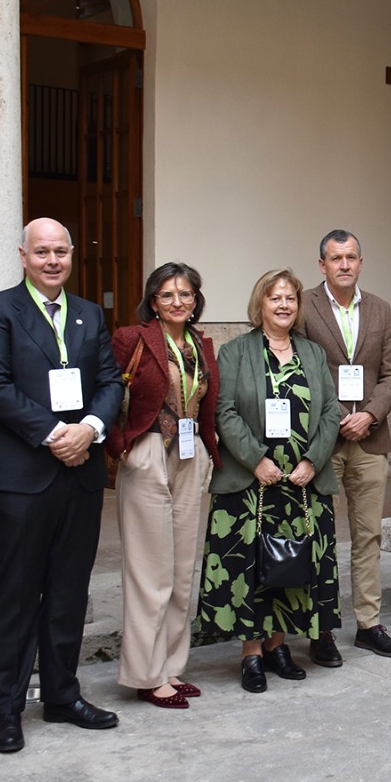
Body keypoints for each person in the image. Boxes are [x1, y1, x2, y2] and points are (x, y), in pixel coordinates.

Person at [0, 218, 124, 754]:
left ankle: (61, 695)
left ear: (72, 254)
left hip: (80, 474)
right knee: (16, 594)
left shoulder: (89, 313)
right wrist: (56, 433)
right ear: (23, 256)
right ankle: (7, 708)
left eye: (61, 251)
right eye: (42, 252)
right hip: (20, 478)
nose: (52, 261)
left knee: (68, 591)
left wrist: (91, 428)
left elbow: (110, 381)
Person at [200, 269, 341, 693]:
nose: (283, 305)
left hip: (300, 485)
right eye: (275, 297)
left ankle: (279, 646)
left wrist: (313, 461)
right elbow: (223, 411)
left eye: (290, 298)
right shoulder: (236, 352)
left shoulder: (312, 353)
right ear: (259, 303)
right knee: (250, 567)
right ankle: (251, 653)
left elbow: (330, 411)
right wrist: (255, 460)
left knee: (290, 564)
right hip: (251, 484)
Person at [107, 263, 221, 709]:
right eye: (168, 294)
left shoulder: (201, 345)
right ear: (153, 301)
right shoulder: (132, 338)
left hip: (191, 456)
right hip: (149, 452)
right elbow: (106, 392)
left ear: (196, 301)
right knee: (149, 570)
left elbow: (207, 405)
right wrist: (121, 447)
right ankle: (145, 672)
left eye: (186, 294)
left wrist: (211, 451)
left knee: (181, 569)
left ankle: (171, 666)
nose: (178, 302)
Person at [293, 229, 391, 664]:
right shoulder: (304, 306)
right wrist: (341, 416)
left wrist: (369, 415)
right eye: (336, 258)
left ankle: (369, 624)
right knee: (318, 536)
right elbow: (302, 369)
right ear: (322, 264)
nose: (344, 265)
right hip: (322, 441)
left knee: (368, 535)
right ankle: (320, 628)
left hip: (371, 439)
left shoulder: (380, 308)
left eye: (351, 257)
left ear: (360, 262)